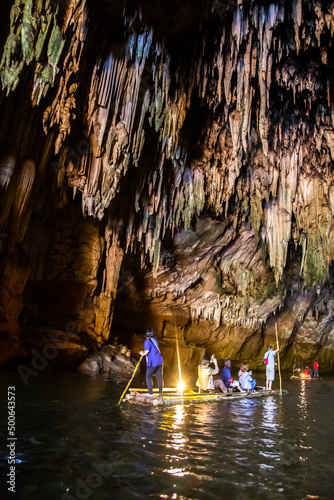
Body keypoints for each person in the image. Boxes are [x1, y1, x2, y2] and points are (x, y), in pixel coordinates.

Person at [139, 329, 164, 396]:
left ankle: (150, 393)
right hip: (160, 360)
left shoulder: (147, 341)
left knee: (148, 376)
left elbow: (147, 351)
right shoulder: (155, 340)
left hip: (153, 362)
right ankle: (160, 393)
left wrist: (142, 353)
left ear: (146, 335)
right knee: (159, 376)